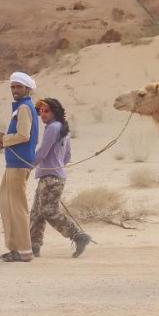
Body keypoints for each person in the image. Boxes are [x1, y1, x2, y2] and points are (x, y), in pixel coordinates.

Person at [29, 97, 92, 258]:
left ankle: (78, 236)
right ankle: (33, 245)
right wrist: (56, 165)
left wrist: (27, 166)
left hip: (51, 177)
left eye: (46, 111)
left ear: (55, 111)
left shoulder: (53, 128)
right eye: (41, 111)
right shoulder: (62, 127)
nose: (42, 114)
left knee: (48, 211)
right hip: (53, 175)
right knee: (37, 212)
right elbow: (67, 156)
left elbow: (42, 151)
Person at [0, 72, 38, 262]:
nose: (15, 90)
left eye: (19, 87)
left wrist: (3, 140)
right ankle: (14, 248)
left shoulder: (24, 108)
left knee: (17, 207)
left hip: (19, 164)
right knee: (7, 206)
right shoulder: (20, 108)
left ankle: (25, 251)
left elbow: (24, 135)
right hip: (13, 163)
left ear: (27, 89)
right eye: (13, 87)